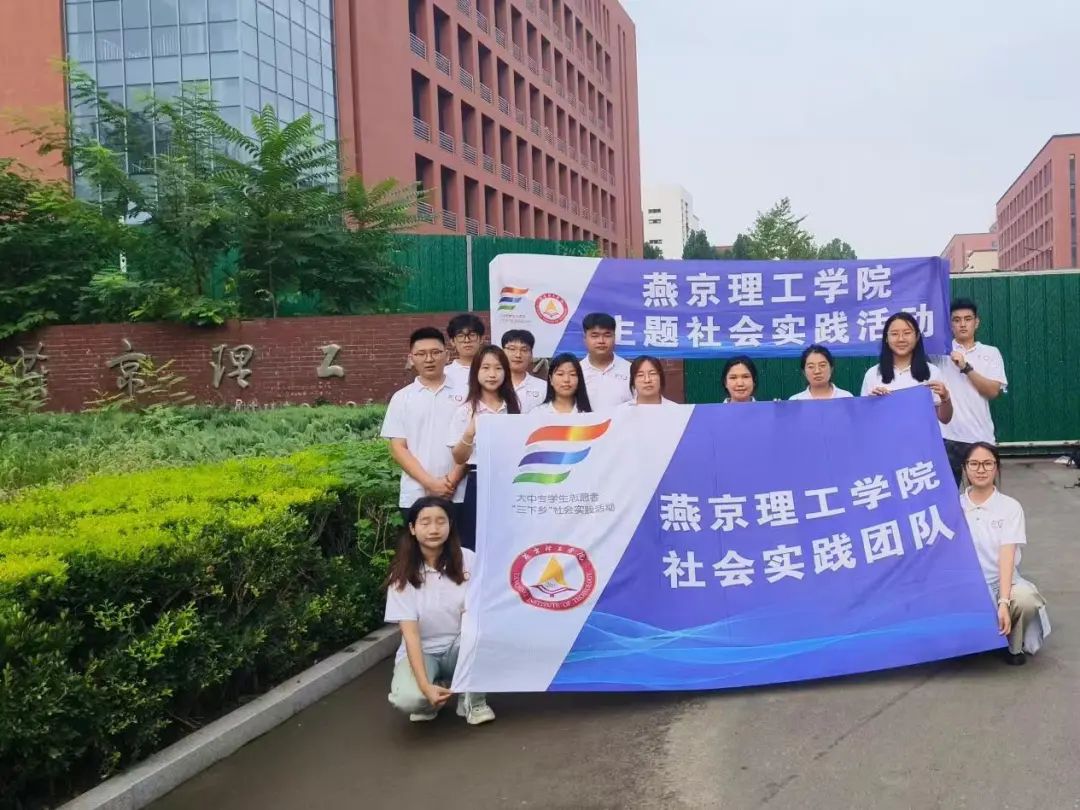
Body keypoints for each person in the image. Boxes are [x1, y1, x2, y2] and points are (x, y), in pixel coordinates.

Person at [385, 496, 495, 724]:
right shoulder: (401, 575)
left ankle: (473, 701)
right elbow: (411, 635)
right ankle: (432, 696)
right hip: (424, 651)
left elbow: (481, 611)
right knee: (409, 699)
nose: (434, 529)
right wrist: (425, 687)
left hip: (459, 645)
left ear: (450, 525)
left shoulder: (469, 559)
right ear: (412, 528)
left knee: (482, 635)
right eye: (425, 522)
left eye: (440, 521)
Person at [960, 443, 1048, 665]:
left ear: (997, 468)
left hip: (1001, 581)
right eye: (974, 464)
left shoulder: (1010, 507)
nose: (981, 469)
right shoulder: (954, 506)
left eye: (988, 464)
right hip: (965, 584)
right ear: (965, 468)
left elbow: (1007, 556)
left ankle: (1012, 646)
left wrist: (1004, 601)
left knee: (1025, 599)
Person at [381, 328, 466, 523]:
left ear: (447, 355)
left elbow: (472, 443)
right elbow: (398, 447)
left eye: (435, 352)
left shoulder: (467, 393)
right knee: (419, 543)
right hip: (415, 494)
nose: (429, 359)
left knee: (461, 543)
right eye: (421, 354)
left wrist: (451, 481)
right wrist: (430, 483)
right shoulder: (402, 398)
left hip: (459, 493)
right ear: (411, 358)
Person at [448, 346, 521, 550]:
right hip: (478, 478)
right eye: (486, 368)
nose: (492, 374)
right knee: (475, 540)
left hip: (511, 481)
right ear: (476, 372)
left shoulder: (514, 408)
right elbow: (459, 457)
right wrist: (470, 431)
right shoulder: (465, 411)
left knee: (508, 540)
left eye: (498, 368)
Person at [935, 299, 1008, 486]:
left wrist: (966, 367)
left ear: (976, 322)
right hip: (947, 437)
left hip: (980, 436)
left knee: (983, 492)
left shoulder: (990, 353)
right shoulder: (939, 354)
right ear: (950, 324)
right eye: (956, 320)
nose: (962, 324)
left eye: (967, 319)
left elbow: (992, 391)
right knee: (947, 496)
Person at [861, 312, 953, 425]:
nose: (901, 339)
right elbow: (864, 418)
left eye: (907, 333)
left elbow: (945, 419)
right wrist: (872, 403)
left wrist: (945, 398)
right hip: (885, 435)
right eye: (894, 334)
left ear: (917, 336)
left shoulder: (932, 372)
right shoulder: (872, 374)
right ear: (886, 338)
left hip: (921, 435)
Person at [580, 312, 632, 411]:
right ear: (585, 339)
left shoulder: (630, 370)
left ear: (614, 337)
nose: (601, 341)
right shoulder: (576, 372)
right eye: (595, 336)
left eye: (607, 335)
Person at [501, 329, 547, 413]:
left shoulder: (544, 388)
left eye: (524, 350)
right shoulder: (493, 385)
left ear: (531, 355)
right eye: (512, 349)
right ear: (502, 352)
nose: (518, 355)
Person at [790, 345, 854, 400]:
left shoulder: (846, 397)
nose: (817, 371)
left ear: (831, 368)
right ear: (804, 372)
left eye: (822, 365)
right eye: (811, 367)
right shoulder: (795, 401)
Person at [445, 313, 486, 390]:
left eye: (472, 335)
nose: (467, 340)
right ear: (452, 341)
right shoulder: (444, 374)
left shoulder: (492, 372)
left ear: (481, 339)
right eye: (461, 336)